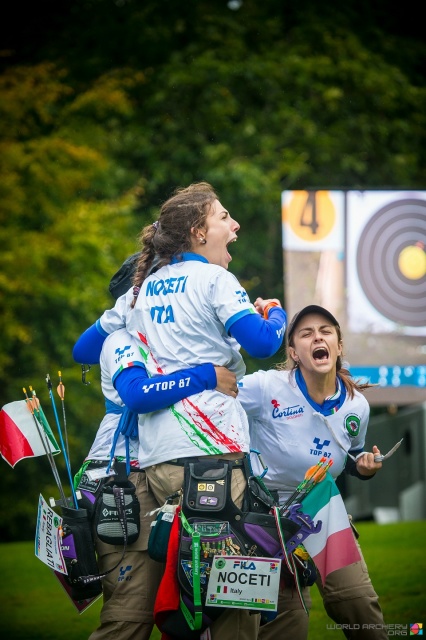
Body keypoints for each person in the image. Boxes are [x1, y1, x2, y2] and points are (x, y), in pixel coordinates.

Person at [73, 181, 288, 640]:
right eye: (224, 217)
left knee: (158, 608)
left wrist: (127, 322)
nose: (234, 225)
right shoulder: (215, 280)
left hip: (154, 467)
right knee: (231, 603)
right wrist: (276, 314)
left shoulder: (141, 292)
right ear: (197, 231)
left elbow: (84, 348)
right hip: (215, 456)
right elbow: (265, 344)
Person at [75, 326, 239, 640]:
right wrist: (205, 375)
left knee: (195, 605)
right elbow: (137, 395)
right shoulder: (123, 336)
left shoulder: (177, 335)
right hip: (126, 477)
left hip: (179, 470)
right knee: (131, 613)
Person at [237, 304, 388, 640]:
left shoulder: (356, 405)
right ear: (294, 352)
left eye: (325, 331)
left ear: (338, 346)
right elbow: (216, 398)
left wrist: (364, 466)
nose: (317, 336)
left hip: (321, 508)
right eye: (306, 333)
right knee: (286, 623)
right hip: (266, 518)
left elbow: (350, 454)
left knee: (360, 607)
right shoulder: (266, 388)